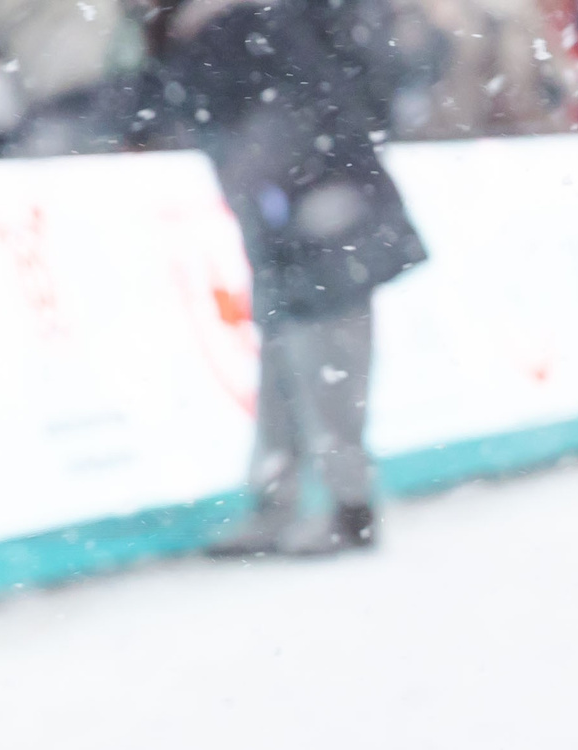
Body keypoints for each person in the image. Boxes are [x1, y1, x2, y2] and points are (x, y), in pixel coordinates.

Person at [154, 0, 428, 556]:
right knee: (288, 352)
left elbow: (314, 101)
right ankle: (284, 501)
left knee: (326, 355)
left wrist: (269, 173)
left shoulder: (263, 23)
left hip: (323, 203)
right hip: (297, 207)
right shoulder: (222, 28)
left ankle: (346, 507)